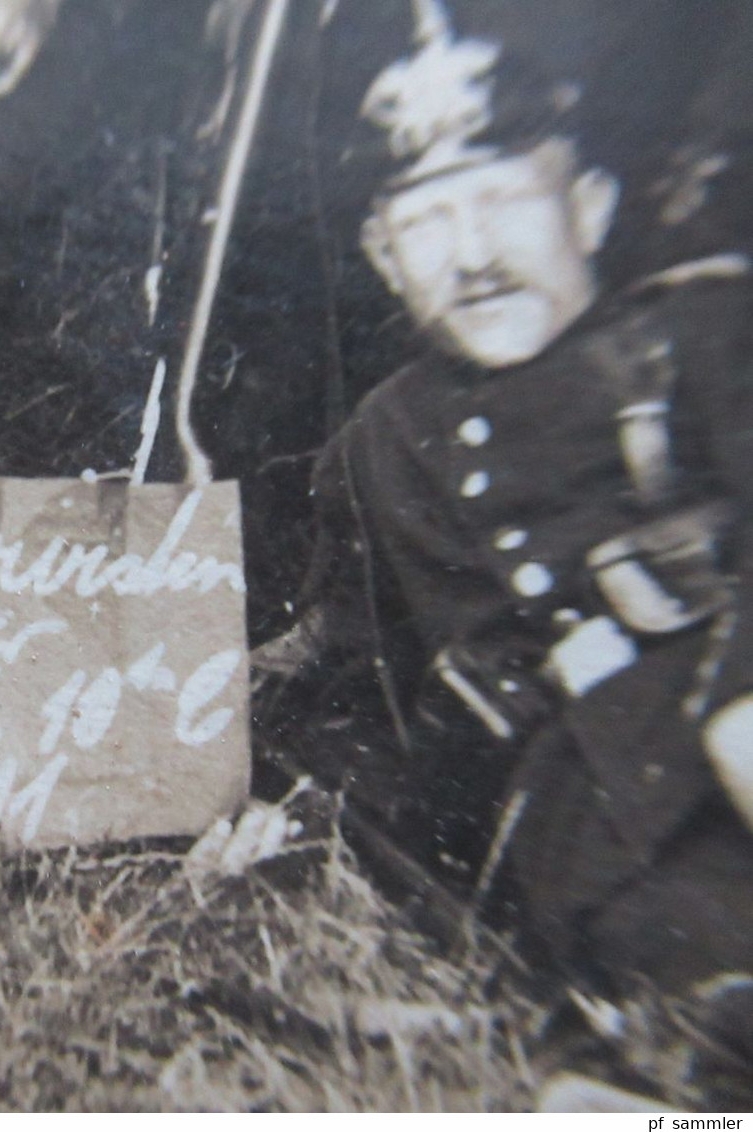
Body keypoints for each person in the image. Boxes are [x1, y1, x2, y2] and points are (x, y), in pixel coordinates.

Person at [265, 0, 753, 1062]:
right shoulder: (376, 445)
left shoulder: (703, 338)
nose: (471, 253)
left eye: (499, 198)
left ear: (586, 204)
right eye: (426, 223)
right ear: (382, 259)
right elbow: (351, 674)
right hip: (586, 850)